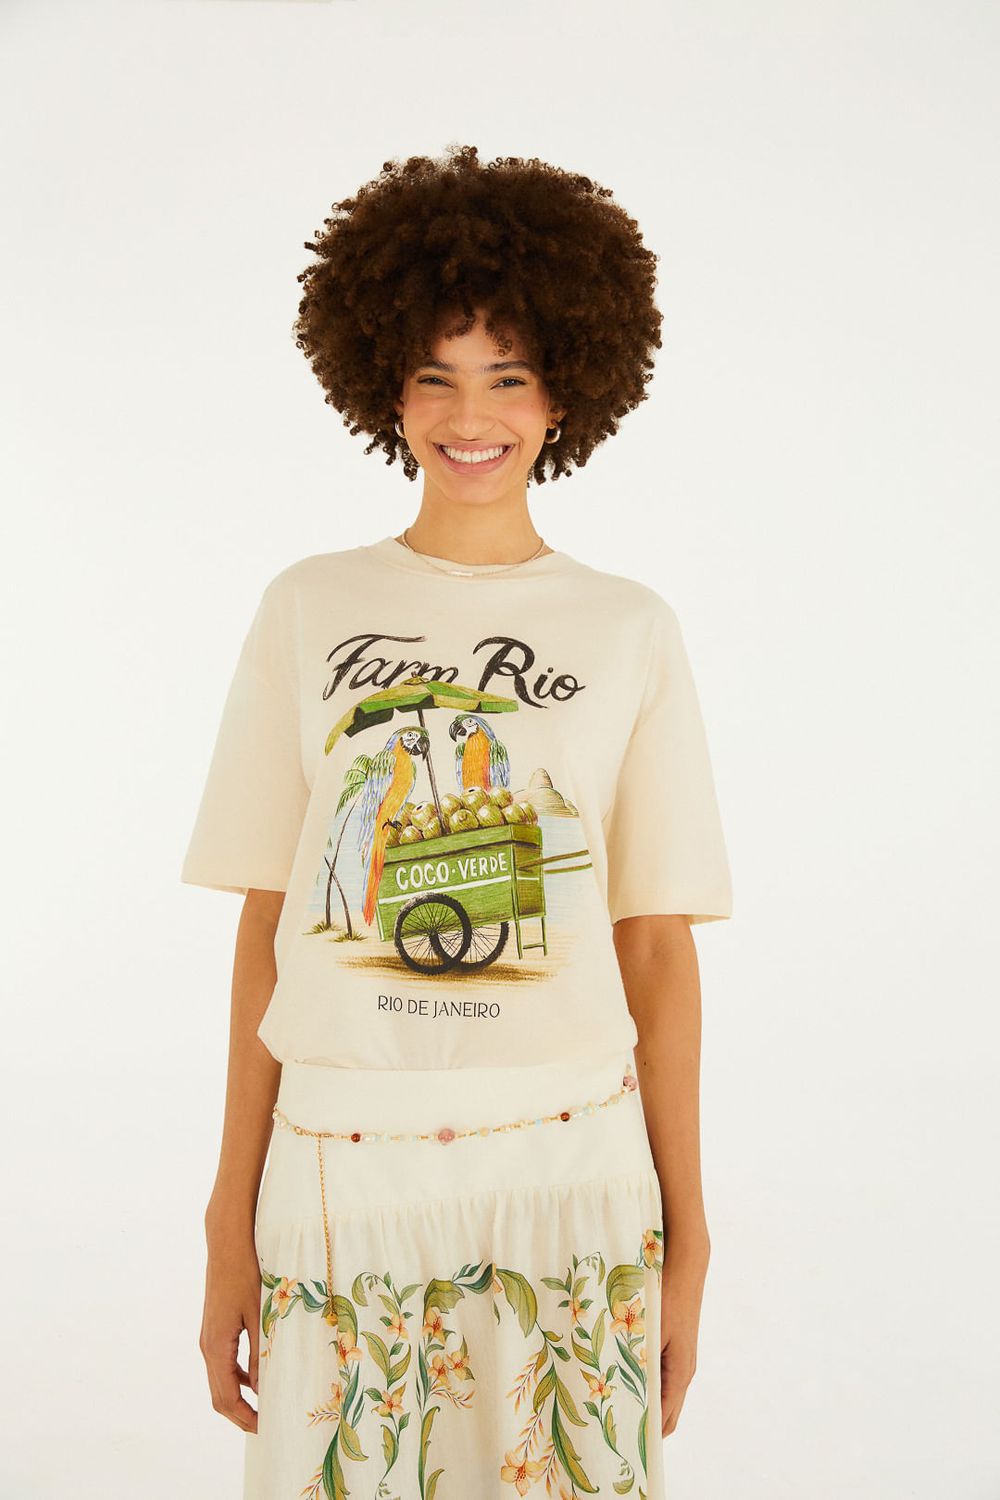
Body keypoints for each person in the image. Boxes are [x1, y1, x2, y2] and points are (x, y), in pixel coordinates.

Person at [181, 143, 733, 1498]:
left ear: (569, 390)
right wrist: (225, 1217)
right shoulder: (307, 606)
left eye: (509, 376)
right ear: (384, 383)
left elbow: (654, 946)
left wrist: (692, 1231)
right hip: (341, 1170)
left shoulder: (628, 628)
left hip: (574, 1170)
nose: (470, 414)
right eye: (435, 376)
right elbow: (268, 926)